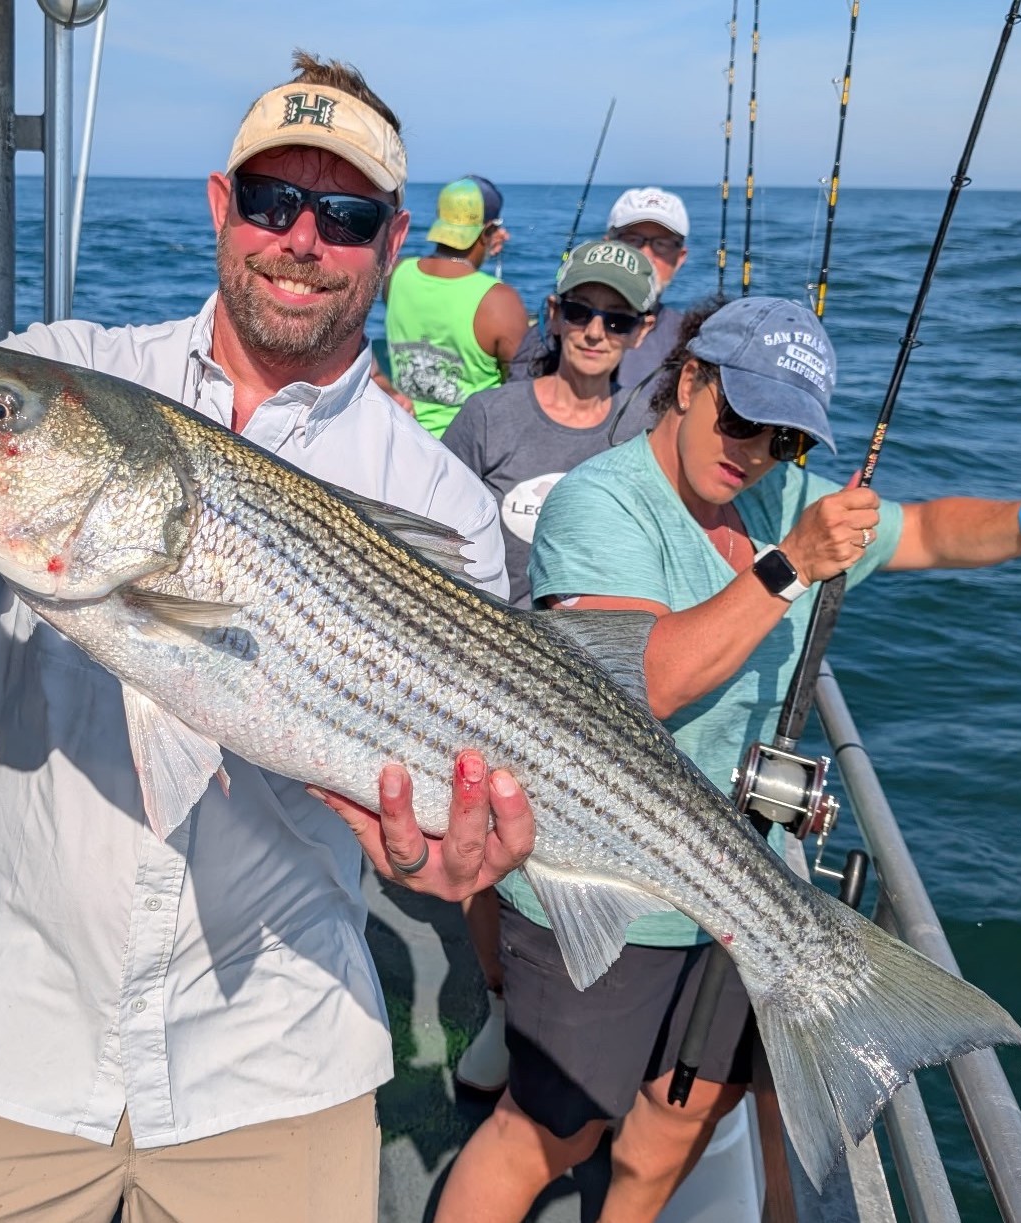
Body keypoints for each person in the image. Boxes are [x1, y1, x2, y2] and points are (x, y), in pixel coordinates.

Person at [0, 53, 538, 1223]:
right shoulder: (76, 370)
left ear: (393, 241)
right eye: (272, 200)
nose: (301, 238)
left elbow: (447, 829)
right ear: (220, 204)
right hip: (1, 1029)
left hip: (273, 1060)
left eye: (344, 215)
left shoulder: (442, 501)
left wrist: (441, 865)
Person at [436, 295, 1021, 1223]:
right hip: (605, 880)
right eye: (741, 418)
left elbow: (926, 529)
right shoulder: (600, 501)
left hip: (744, 886)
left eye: (785, 439)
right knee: (551, 1131)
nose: (754, 452)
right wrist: (787, 566)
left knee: (679, 1118)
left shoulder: (784, 499)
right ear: (688, 381)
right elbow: (645, 679)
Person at [440, 238, 658, 1092]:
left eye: (618, 320)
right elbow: (436, 530)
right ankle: (502, 1001)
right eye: (581, 311)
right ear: (553, 314)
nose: (596, 332)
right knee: (482, 845)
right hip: (484, 665)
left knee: (578, 857)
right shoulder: (489, 417)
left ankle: (584, 1021)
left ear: (642, 333)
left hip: (598, 677)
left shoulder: (645, 426)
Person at [380, 175, 529, 436]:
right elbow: (520, 388)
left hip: (405, 436)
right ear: (487, 231)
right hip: (469, 447)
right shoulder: (500, 301)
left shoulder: (396, 273)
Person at [509, 186, 691, 391]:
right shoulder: (559, 325)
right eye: (632, 240)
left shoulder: (690, 337)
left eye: (662, 244)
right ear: (608, 245)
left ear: (680, 257)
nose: (646, 255)